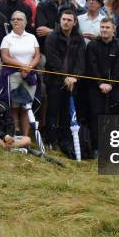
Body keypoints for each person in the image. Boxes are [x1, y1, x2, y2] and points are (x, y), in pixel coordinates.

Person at [44, 9, 86, 154]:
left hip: (73, 82)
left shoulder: (79, 39)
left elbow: (81, 61)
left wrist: (75, 77)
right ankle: (50, 140)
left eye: (69, 20)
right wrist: (65, 77)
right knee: (52, 111)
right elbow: (52, 59)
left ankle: (65, 140)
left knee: (67, 112)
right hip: (55, 80)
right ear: (60, 20)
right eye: (64, 19)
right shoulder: (52, 37)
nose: (66, 22)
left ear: (74, 23)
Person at [86, 17, 119, 157]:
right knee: (95, 116)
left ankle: (112, 149)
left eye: (107, 27)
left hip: (114, 87)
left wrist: (111, 84)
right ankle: (96, 148)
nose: (104, 30)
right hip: (95, 86)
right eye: (102, 27)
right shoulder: (92, 45)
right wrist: (100, 83)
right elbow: (91, 66)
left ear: (114, 29)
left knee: (113, 117)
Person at [0, 11, 41, 136]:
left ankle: (26, 136)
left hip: (29, 75)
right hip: (13, 75)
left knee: (26, 107)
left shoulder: (31, 37)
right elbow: (5, 58)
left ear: (25, 22)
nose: (16, 21)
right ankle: (14, 133)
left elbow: (37, 55)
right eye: (13, 19)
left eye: (19, 19)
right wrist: (22, 66)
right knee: (14, 106)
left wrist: (29, 67)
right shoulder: (7, 38)